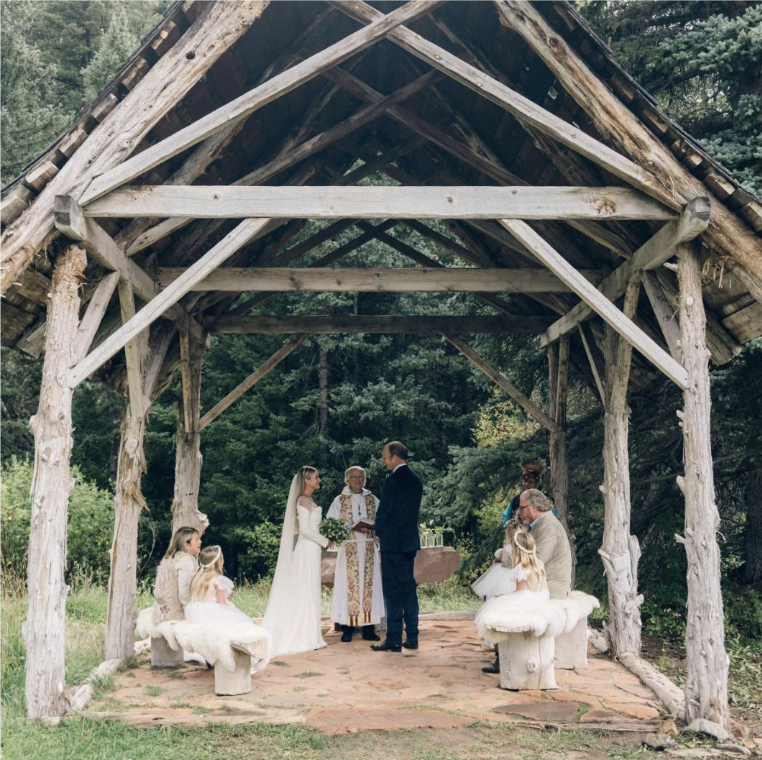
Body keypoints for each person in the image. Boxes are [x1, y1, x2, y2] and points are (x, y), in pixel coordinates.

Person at [262, 466, 332, 657]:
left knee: (309, 590)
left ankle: (310, 633)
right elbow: (306, 530)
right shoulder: (302, 501)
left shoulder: (310, 500)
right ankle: (304, 635)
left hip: (312, 548)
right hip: (307, 548)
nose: (319, 480)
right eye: (316, 477)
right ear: (307, 480)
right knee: (304, 589)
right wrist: (325, 541)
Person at [475, 529, 550, 673]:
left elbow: (519, 592)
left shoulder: (521, 568)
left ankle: (500, 658)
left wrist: (501, 597)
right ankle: (501, 656)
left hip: (524, 600)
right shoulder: (539, 565)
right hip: (540, 599)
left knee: (494, 607)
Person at [371, 441, 422, 653]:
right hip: (409, 543)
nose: (384, 461)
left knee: (393, 591)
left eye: (385, 457)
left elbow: (384, 512)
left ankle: (393, 638)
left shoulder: (393, 481)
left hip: (393, 544)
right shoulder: (416, 480)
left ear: (395, 457)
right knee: (409, 589)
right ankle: (412, 636)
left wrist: (377, 531)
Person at [327, 466, 384, 642]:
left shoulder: (372, 499)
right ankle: (347, 629)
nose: (358, 480)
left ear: (365, 479)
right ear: (347, 480)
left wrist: (376, 529)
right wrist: (347, 527)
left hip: (368, 548)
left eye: (361, 477)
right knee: (348, 587)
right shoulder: (339, 500)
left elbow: (382, 520)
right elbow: (331, 523)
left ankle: (368, 629)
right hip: (349, 548)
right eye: (354, 477)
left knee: (369, 586)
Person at [472, 520, 527, 674]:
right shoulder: (524, 550)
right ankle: (500, 656)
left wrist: (500, 555)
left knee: (497, 617)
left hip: (507, 585)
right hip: (511, 585)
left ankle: (499, 657)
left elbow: (505, 559)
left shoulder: (510, 551)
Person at [516, 488, 572, 599]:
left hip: (552, 594)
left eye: (522, 508)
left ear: (534, 507)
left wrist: (509, 559)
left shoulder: (548, 526)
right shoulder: (539, 525)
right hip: (542, 590)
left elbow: (537, 559)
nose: (519, 512)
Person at [153, 526, 201, 623]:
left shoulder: (169, 559)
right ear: (187, 545)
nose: (200, 542)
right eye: (196, 539)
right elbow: (184, 594)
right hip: (176, 616)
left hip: (161, 614)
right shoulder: (185, 560)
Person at [500, 462, 545, 528]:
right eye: (524, 481)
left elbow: (550, 518)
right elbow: (505, 517)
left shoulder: (545, 501)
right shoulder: (515, 500)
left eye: (530, 482)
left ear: (537, 485)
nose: (526, 484)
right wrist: (509, 523)